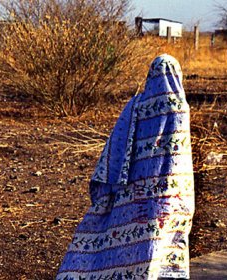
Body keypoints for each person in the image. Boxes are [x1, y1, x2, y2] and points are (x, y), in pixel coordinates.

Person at [57, 54, 194, 279]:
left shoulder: (135, 105)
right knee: (163, 244)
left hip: (130, 192)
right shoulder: (179, 107)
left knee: (130, 243)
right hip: (169, 194)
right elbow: (181, 159)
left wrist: (106, 187)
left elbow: (115, 145)